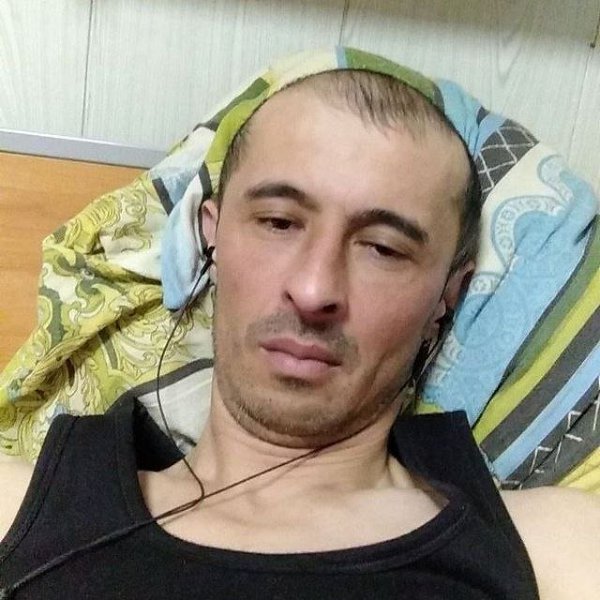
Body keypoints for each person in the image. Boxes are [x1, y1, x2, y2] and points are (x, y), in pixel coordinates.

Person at [0, 60, 598, 599]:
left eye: (384, 249)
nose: (314, 291)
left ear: (449, 296)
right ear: (212, 239)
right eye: (279, 222)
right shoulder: (20, 509)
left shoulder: (553, 547)